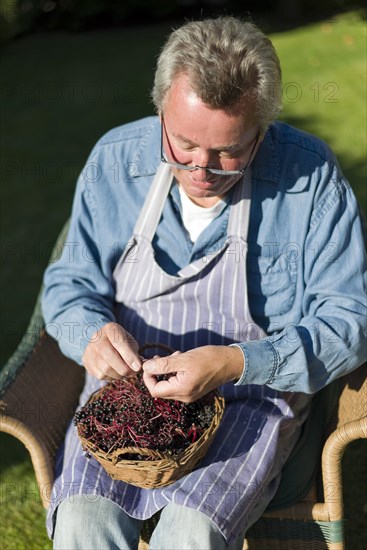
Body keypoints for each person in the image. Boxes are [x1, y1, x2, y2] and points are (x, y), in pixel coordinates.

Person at [42, 16, 367, 550]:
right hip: (129, 399)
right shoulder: (114, 161)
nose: (200, 168)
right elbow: (68, 284)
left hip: (252, 401)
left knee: (190, 533)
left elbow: (348, 321)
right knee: (81, 519)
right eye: (184, 143)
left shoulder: (310, 178)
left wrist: (235, 362)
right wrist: (92, 333)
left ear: (263, 129)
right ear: (161, 109)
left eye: (229, 152)